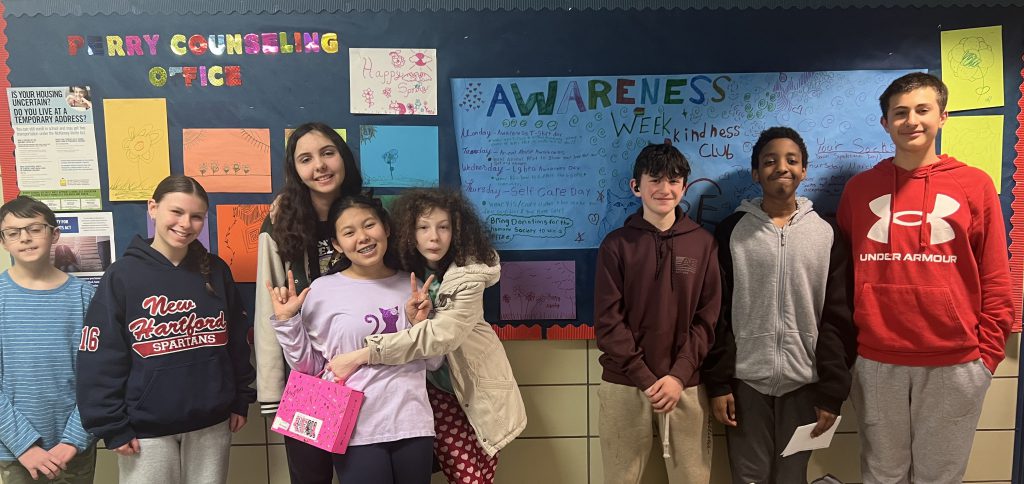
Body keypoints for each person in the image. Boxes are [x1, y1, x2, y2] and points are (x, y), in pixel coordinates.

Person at [837, 72, 1013, 483]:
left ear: (942, 116)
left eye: (922, 110)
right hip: (878, 361)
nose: (911, 120)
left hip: (956, 362)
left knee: (940, 477)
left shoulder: (974, 185)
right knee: (882, 475)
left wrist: (985, 358)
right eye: (900, 112)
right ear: (885, 123)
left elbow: (996, 277)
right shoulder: (859, 190)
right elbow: (843, 279)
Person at [326, 188, 526, 484]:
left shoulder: (469, 274)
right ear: (409, 231)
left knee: (475, 478)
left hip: (467, 389)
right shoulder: (404, 269)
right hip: (421, 395)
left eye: (444, 227)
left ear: (457, 231)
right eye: (423, 227)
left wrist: (363, 353)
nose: (434, 237)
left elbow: (439, 337)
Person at [701, 127, 856, 483]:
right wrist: (720, 383)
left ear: (804, 170)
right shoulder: (731, 232)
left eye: (791, 160)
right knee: (748, 477)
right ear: (756, 173)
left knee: (792, 476)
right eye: (769, 161)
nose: (781, 167)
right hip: (744, 384)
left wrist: (832, 392)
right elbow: (717, 313)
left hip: (804, 384)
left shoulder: (827, 234)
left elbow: (837, 318)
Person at [77, 176, 255, 484]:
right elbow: (101, 356)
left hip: (211, 422)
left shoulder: (216, 270)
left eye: (196, 216)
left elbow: (237, 342)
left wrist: (241, 397)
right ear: (153, 208)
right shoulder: (122, 275)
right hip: (146, 429)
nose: (186, 223)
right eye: (176, 212)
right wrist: (112, 425)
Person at [267, 195, 441, 484]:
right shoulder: (322, 291)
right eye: (349, 232)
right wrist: (287, 322)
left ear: (386, 228)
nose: (362, 237)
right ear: (337, 244)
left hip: (413, 424)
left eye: (369, 225)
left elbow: (434, 362)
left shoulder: (413, 287)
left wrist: (419, 325)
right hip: (354, 428)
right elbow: (309, 368)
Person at [594, 142, 721, 483]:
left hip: (685, 383)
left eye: (674, 180)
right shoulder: (616, 245)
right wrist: (646, 378)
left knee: (693, 478)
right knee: (620, 477)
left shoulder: (704, 244)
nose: (664, 189)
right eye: (654, 180)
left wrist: (678, 375)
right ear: (636, 187)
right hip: (624, 382)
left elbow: (707, 320)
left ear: (684, 187)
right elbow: (608, 323)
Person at [254, 122, 363, 484]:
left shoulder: (368, 218)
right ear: (295, 171)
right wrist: (271, 394)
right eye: (306, 159)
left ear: (343, 157)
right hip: (306, 381)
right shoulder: (279, 226)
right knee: (311, 478)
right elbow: (267, 311)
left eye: (328, 152)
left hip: (367, 374)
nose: (320, 165)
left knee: (368, 474)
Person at [0, 196, 96, 483]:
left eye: (34, 229)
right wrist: (24, 446)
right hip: (16, 453)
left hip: (74, 450)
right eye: (13, 232)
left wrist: (74, 440)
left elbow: (99, 378)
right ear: (4, 242)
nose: (25, 238)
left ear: (55, 234)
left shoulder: (84, 298)